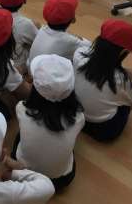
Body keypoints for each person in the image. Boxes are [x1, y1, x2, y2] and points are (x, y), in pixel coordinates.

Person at [15, 55, 85, 191]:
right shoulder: (79, 118)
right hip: (60, 180)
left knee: (21, 133)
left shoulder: (21, 109)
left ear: (35, 87)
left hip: (23, 173)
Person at [74, 19, 132, 142]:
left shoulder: (79, 55)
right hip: (104, 131)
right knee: (131, 77)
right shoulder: (122, 79)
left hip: (76, 118)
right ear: (124, 52)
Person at [28, 0, 90, 64]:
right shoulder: (69, 40)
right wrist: (76, 36)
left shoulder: (43, 29)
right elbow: (90, 47)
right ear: (73, 19)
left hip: (32, 67)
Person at [0, 0, 39, 70]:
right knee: (36, 26)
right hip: (14, 66)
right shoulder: (25, 24)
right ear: (24, 0)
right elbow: (38, 42)